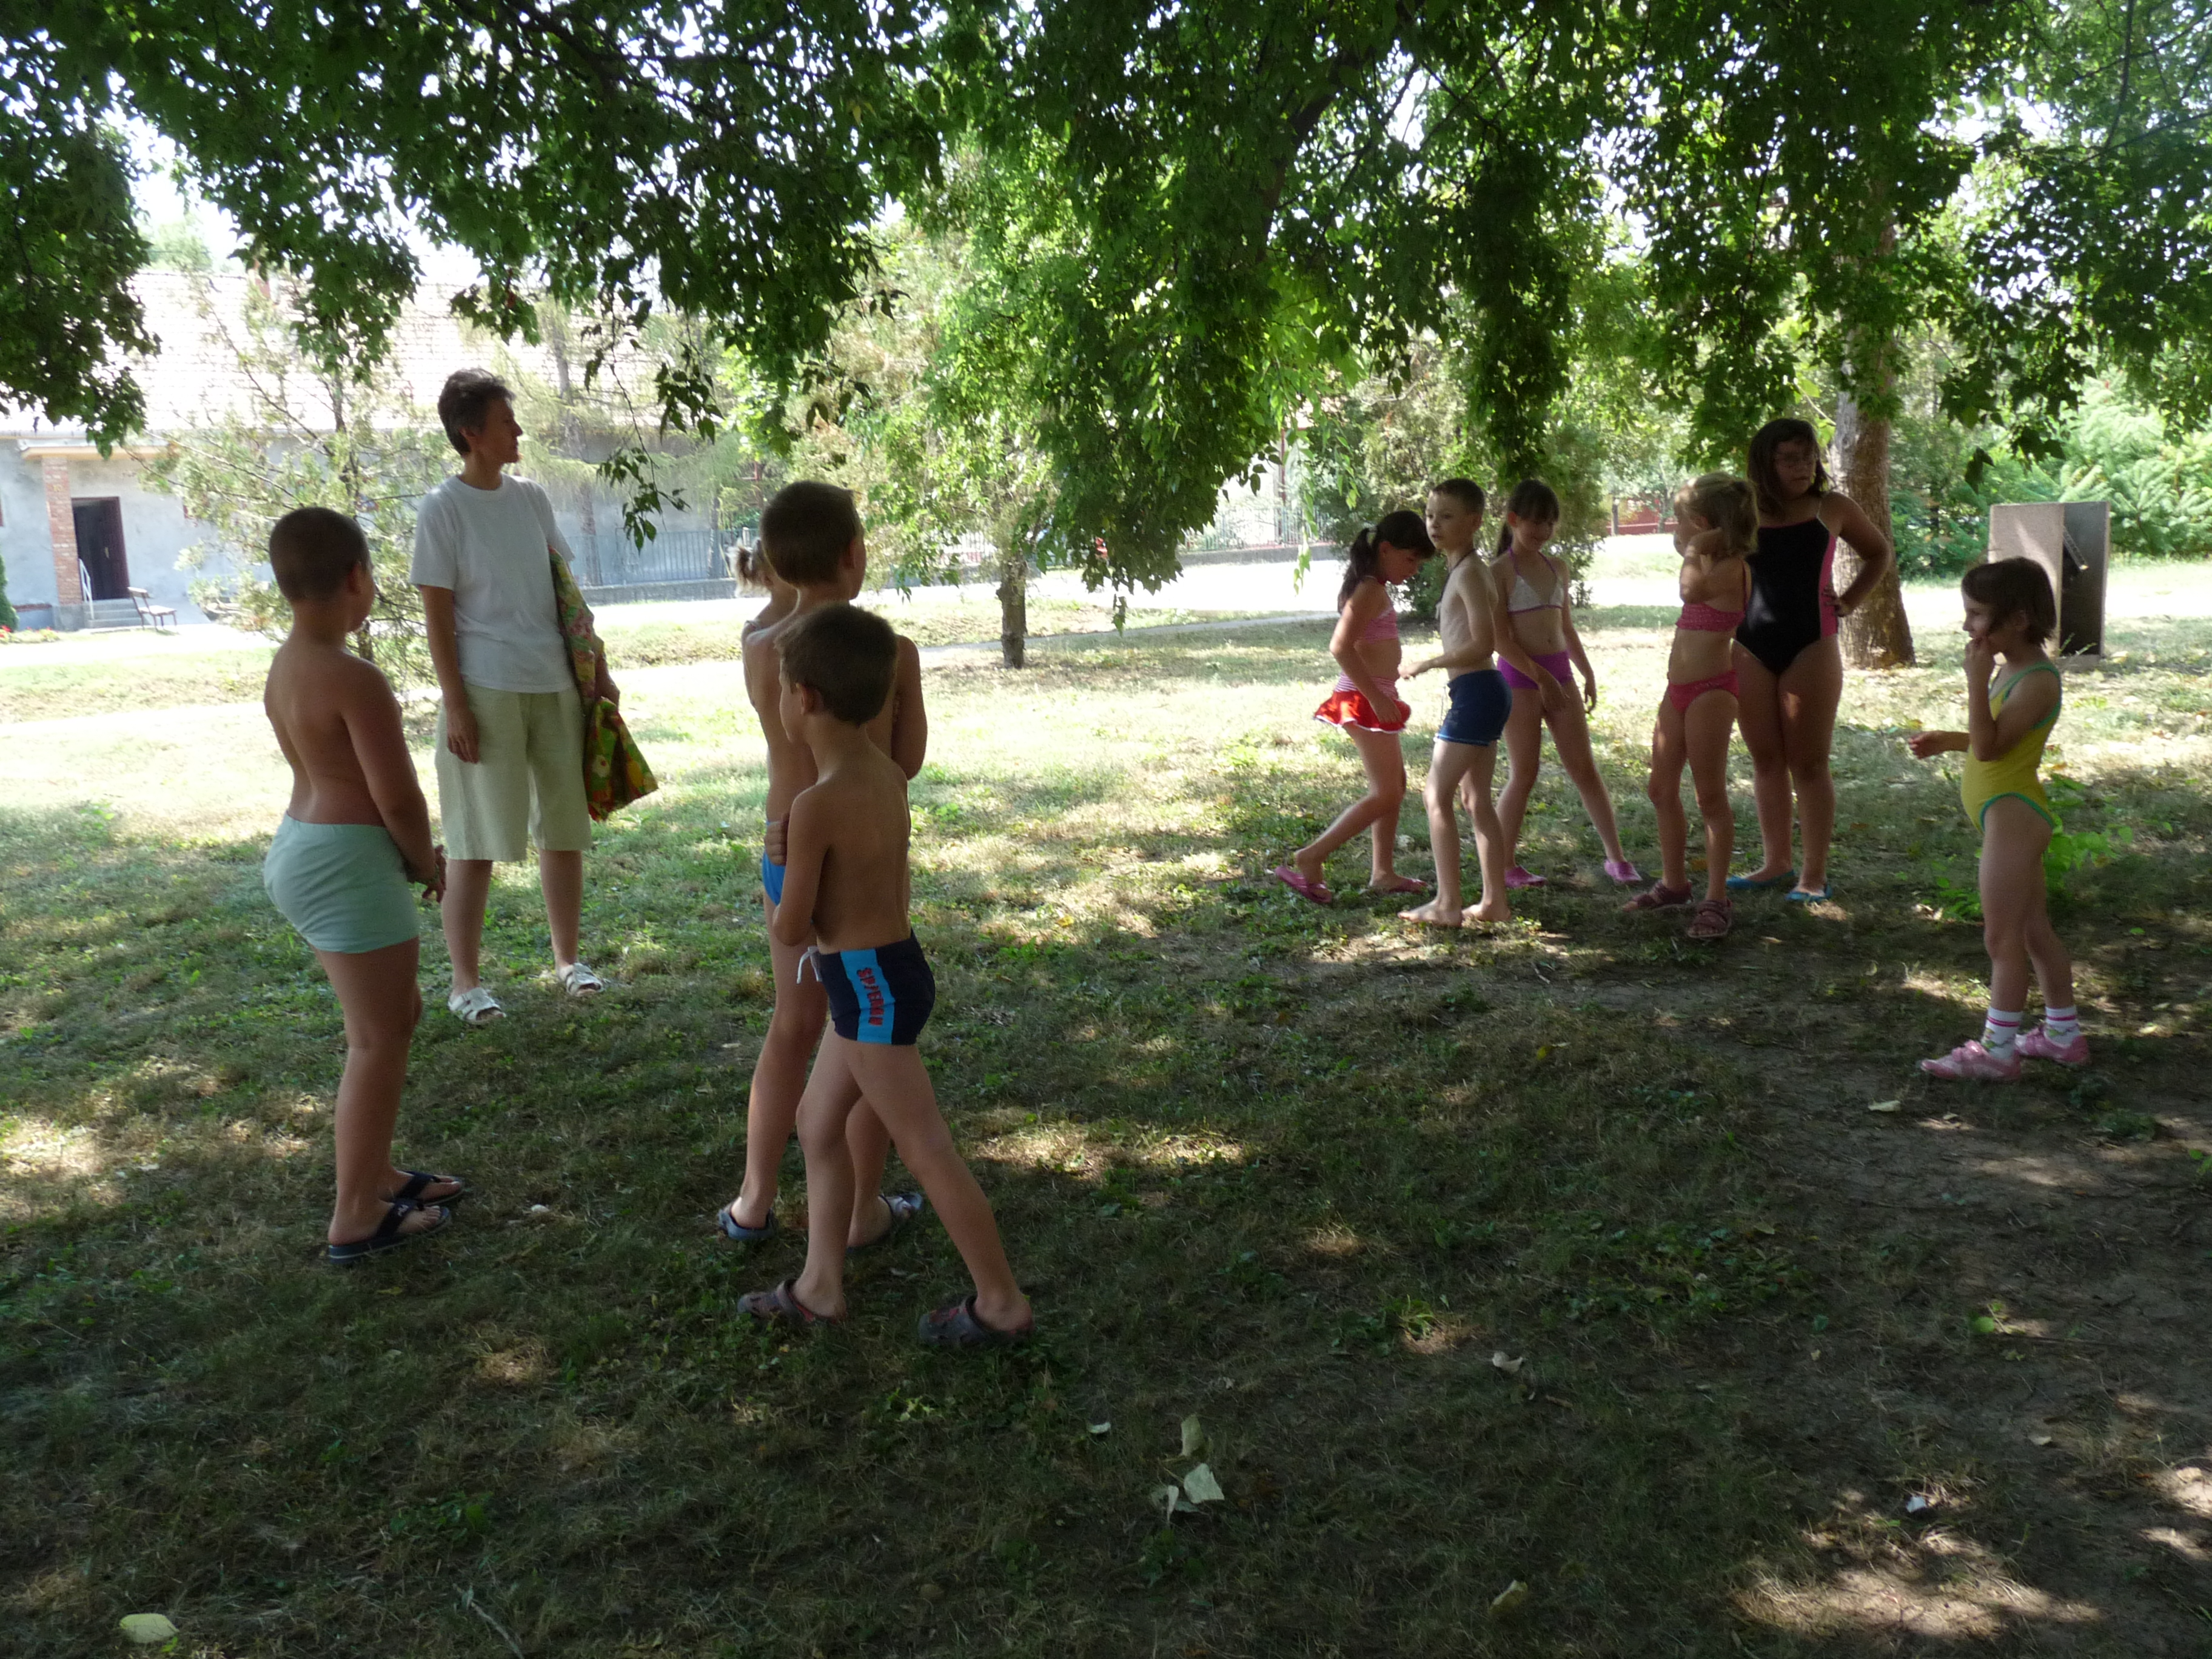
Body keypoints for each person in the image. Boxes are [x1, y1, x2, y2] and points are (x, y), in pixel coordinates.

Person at [738, 603, 1033, 1344]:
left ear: (805, 698)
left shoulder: (813, 807)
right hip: (888, 975)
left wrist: (773, 862)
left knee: (926, 1148)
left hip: (867, 990)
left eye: (782, 691)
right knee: (817, 1123)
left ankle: (1001, 1302)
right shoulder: (888, 776)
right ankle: (820, 1285)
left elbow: (792, 929)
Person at [720, 481, 925, 1252]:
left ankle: (754, 1199)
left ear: (776, 562)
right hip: (864, 871)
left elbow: (780, 607)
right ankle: (862, 1210)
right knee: (868, 1037)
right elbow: (905, 763)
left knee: (793, 1025)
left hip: (786, 851)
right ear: (854, 554)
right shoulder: (890, 654)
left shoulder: (761, 649)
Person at [259, 508, 462, 1262]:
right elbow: (398, 798)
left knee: (394, 1016)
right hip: (346, 864)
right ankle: (354, 1214)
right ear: (356, 577)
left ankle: (378, 1175)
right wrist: (424, 862)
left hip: (304, 847)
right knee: (377, 1038)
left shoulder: (287, 664)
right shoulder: (354, 678)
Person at [412, 369, 618, 1025]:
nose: (518, 430)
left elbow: (565, 592)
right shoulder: (442, 509)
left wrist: (598, 667)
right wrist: (457, 705)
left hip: (554, 682)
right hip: (485, 690)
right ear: (470, 433)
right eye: (506, 421)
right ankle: (465, 984)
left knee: (564, 831)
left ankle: (569, 962)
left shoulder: (531, 500)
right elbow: (437, 619)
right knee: (475, 840)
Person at [1908, 560, 2086, 1081]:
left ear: (2019, 619)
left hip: (2014, 817)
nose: (1968, 626)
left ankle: (1997, 1051)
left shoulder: (2037, 681)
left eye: (1977, 614)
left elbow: (1989, 749)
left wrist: (1974, 681)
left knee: (2001, 938)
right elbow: (2000, 737)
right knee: (2033, 931)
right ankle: (2063, 1036)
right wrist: (1951, 740)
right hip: (2007, 815)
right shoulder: (2014, 671)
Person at [1729, 418, 1894, 903]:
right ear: (1766, 462)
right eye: (1789, 459)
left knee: (1810, 763)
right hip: (1749, 646)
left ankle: (1813, 876)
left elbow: (1878, 553)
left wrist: (1851, 601)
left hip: (1812, 645)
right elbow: (1698, 552)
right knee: (1765, 759)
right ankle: (1775, 863)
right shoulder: (1741, 510)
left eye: (1808, 457)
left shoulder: (1832, 507)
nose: (1803, 467)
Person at [1271, 509, 1435, 904]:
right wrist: (1377, 697)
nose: (1414, 569)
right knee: (1386, 793)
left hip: (1376, 697)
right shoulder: (1369, 590)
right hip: (1364, 701)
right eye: (1410, 559)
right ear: (1386, 549)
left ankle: (1383, 872)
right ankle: (1311, 857)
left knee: (1395, 787)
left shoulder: (1373, 587)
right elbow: (1340, 647)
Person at [1489, 479, 1641, 890]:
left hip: (1561, 675)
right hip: (1520, 679)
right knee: (1524, 773)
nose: (1543, 531)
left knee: (1584, 768)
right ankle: (1503, 865)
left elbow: (1566, 628)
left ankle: (1617, 858)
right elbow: (1500, 639)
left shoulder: (1559, 568)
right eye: (1535, 522)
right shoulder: (1499, 571)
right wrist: (1540, 678)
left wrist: (1586, 671)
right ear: (1513, 519)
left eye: (1550, 524)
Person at [1624, 475, 1756, 941]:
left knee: (1709, 797)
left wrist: (1695, 547)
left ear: (1700, 523)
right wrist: (1698, 545)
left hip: (1711, 692)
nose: (1673, 529)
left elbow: (1689, 591)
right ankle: (1674, 884)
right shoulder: (1709, 559)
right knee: (1660, 789)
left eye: (1679, 520)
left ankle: (1716, 899)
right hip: (1676, 690)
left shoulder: (1732, 568)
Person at [1401, 479, 1512, 927]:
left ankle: (1448, 904)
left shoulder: (1469, 572)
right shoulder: (1464, 569)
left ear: (1474, 522)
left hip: (1478, 692)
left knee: (1436, 793)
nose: (1434, 525)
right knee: (1475, 798)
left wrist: (1429, 662)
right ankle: (1494, 903)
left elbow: (1484, 643)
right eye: (1430, 515)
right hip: (1480, 691)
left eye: (1447, 516)